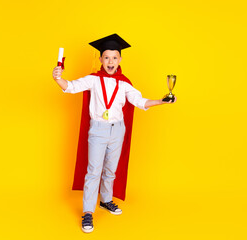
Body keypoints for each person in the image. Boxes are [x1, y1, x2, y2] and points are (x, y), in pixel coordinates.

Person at [52, 34, 176, 233]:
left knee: (111, 169)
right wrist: (57, 77)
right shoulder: (93, 80)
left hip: (118, 130)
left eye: (114, 58)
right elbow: (71, 87)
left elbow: (140, 102)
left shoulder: (125, 83)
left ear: (120, 59)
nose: (111, 62)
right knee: (93, 171)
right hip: (98, 130)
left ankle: (106, 200)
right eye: (107, 57)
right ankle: (88, 213)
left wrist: (161, 101)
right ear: (101, 59)